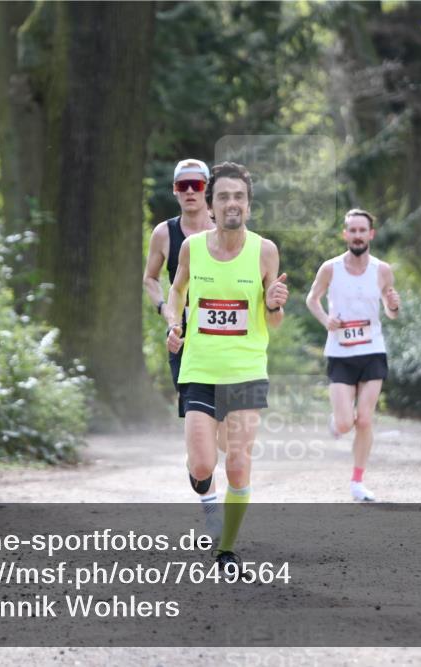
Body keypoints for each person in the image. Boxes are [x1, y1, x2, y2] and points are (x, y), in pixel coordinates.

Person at [165, 161, 287, 570]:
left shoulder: (265, 251)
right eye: (223, 197)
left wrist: (274, 306)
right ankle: (204, 491)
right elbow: (176, 291)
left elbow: (273, 321)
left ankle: (226, 549)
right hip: (199, 369)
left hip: (246, 371)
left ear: (248, 205)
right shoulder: (192, 248)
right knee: (202, 465)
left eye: (239, 197)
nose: (232, 203)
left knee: (237, 463)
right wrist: (173, 323)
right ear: (211, 205)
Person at [143, 159, 222, 532]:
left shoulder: (224, 230)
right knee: (201, 428)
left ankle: (202, 458)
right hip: (184, 337)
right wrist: (166, 311)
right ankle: (210, 502)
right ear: (175, 191)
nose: (190, 191)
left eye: (196, 185)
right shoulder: (165, 233)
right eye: (182, 186)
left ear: (207, 188)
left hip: (227, 340)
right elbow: (150, 278)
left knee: (224, 434)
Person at [305, 208, 400, 502]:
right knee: (346, 422)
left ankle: (357, 482)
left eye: (362, 231)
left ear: (371, 234)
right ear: (345, 234)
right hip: (340, 353)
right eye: (353, 230)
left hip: (372, 350)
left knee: (365, 420)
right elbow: (312, 299)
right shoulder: (330, 268)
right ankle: (337, 422)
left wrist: (393, 305)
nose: (358, 236)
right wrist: (326, 320)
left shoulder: (382, 270)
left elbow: (391, 312)